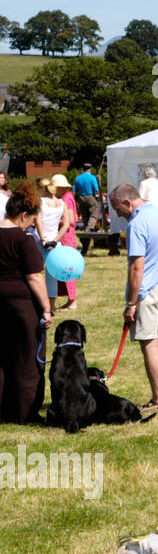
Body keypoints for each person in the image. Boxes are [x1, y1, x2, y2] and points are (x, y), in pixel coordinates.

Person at [109, 183, 158, 411]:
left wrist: (131, 303)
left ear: (128, 202)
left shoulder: (137, 223)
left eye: (117, 208)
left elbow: (136, 268)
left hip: (146, 290)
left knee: (149, 345)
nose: (117, 214)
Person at [0, 183, 53, 424]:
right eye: (32, 219)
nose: (33, 224)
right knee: (28, 359)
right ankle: (24, 413)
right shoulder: (24, 240)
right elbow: (34, 277)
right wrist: (46, 308)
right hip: (21, 306)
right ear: (23, 215)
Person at [37, 177, 74, 313]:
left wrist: (43, 240)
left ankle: (41, 304)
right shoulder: (61, 202)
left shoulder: (40, 202)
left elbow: (38, 222)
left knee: (36, 273)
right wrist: (55, 240)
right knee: (52, 276)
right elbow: (66, 224)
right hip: (55, 241)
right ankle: (52, 306)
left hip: (40, 241)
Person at [73, 164, 100, 229]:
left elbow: (74, 191)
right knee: (94, 214)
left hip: (80, 198)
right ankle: (89, 229)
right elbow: (97, 190)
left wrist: (75, 201)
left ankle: (86, 231)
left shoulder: (77, 178)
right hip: (90, 197)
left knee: (85, 216)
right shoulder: (92, 177)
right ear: (90, 169)